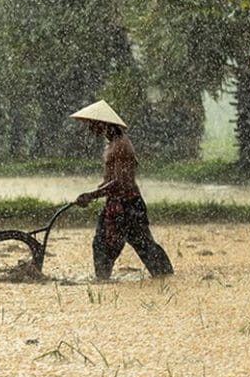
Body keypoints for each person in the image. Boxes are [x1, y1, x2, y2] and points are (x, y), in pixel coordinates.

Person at [70, 100, 174, 280]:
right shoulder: (111, 145)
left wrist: (92, 195)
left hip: (127, 206)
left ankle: (103, 281)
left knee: (137, 245)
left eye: (92, 124)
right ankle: (163, 276)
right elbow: (111, 180)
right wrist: (96, 191)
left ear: (103, 123)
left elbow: (121, 182)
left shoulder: (121, 146)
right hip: (118, 205)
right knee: (125, 245)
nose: (90, 129)